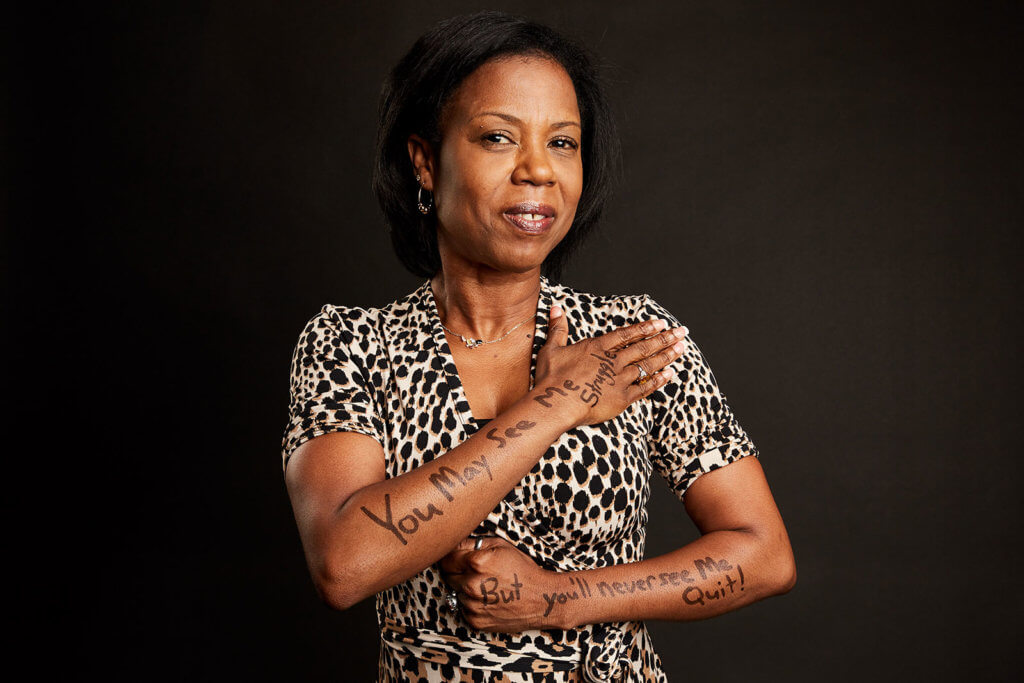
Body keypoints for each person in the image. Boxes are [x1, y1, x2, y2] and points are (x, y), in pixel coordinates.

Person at [281, 11, 795, 682]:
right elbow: (344, 565)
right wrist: (555, 403)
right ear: (425, 162)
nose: (538, 171)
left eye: (562, 142)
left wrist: (558, 599)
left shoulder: (632, 339)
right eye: (498, 137)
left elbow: (764, 555)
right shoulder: (352, 345)